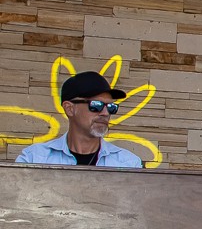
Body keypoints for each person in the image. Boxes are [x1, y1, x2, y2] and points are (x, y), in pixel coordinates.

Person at [14, 71, 145, 167]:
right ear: (69, 108)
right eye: (96, 105)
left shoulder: (129, 164)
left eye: (111, 107)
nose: (105, 113)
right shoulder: (34, 159)